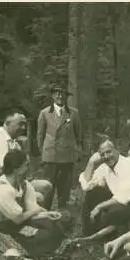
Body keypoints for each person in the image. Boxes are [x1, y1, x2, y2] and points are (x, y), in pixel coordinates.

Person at [0, 110, 53, 249]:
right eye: (20, 124)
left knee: (45, 187)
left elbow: (21, 165)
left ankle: (37, 219)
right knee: (38, 195)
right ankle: (30, 219)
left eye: (25, 124)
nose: (23, 128)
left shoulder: (14, 142)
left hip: (13, 178)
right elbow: (8, 166)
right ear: (7, 123)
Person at [0, 150, 71, 258]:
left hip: (20, 224)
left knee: (60, 220)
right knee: (45, 234)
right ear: (16, 169)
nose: (29, 168)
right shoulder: (3, 189)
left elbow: (30, 208)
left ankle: (49, 247)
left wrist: (47, 214)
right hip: (4, 230)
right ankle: (44, 251)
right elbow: (18, 218)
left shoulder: (23, 184)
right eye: (26, 165)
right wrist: (38, 211)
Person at [78, 137, 130, 244]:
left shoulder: (128, 165)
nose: (106, 156)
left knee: (111, 213)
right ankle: (88, 232)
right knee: (92, 193)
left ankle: (108, 235)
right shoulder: (105, 167)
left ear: (117, 150)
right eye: (102, 154)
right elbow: (86, 186)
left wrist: (99, 206)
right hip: (123, 201)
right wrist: (91, 163)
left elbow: (124, 197)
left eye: (109, 152)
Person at [37, 81, 83, 210]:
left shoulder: (73, 113)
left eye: (62, 93)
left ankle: (63, 218)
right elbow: (40, 135)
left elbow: (78, 135)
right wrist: (44, 153)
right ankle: (45, 215)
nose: (60, 96)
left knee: (64, 189)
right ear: (52, 96)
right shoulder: (44, 113)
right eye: (57, 93)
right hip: (50, 157)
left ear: (66, 96)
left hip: (67, 157)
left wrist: (77, 152)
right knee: (47, 188)